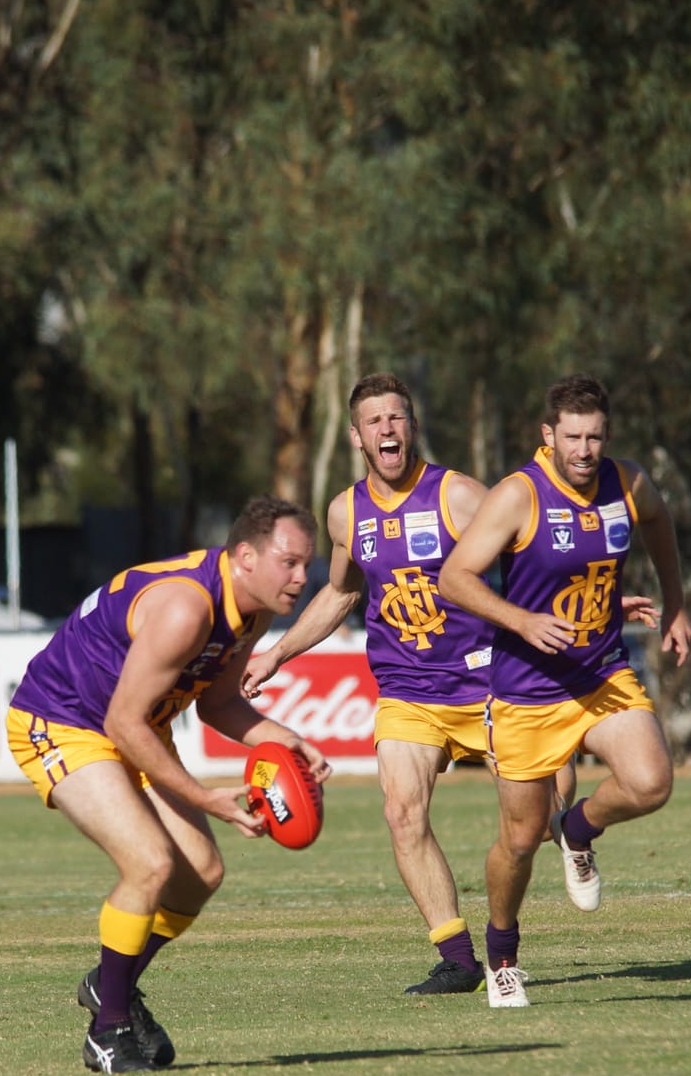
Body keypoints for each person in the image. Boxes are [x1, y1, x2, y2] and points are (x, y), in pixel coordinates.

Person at [241, 374, 651, 997]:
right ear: (356, 436)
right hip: (408, 692)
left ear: (412, 426)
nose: (388, 429)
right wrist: (278, 652)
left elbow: (537, 558)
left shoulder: (458, 495)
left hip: (491, 683)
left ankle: (570, 837)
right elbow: (343, 592)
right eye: (375, 421)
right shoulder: (345, 512)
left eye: (398, 418)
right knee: (401, 812)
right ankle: (459, 957)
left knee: (540, 821)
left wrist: (603, 608)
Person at [8, 497, 332, 1074]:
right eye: (290, 562)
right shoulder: (187, 607)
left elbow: (219, 703)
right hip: (61, 722)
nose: (303, 577)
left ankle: (112, 982)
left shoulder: (253, 609)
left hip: (134, 725)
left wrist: (285, 741)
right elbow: (120, 723)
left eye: (308, 563)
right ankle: (107, 1030)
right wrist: (206, 796)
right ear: (246, 556)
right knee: (150, 864)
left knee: (200, 875)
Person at [439, 374, 691, 1007]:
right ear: (547, 436)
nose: (585, 449)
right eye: (573, 436)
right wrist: (522, 621)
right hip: (525, 690)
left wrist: (678, 604)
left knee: (651, 781)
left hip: (600, 670)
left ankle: (576, 830)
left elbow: (657, 525)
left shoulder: (628, 482)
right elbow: (454, 578)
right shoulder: (518, 496)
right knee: (519, 841)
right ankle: (501, 953)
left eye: (595, 436)